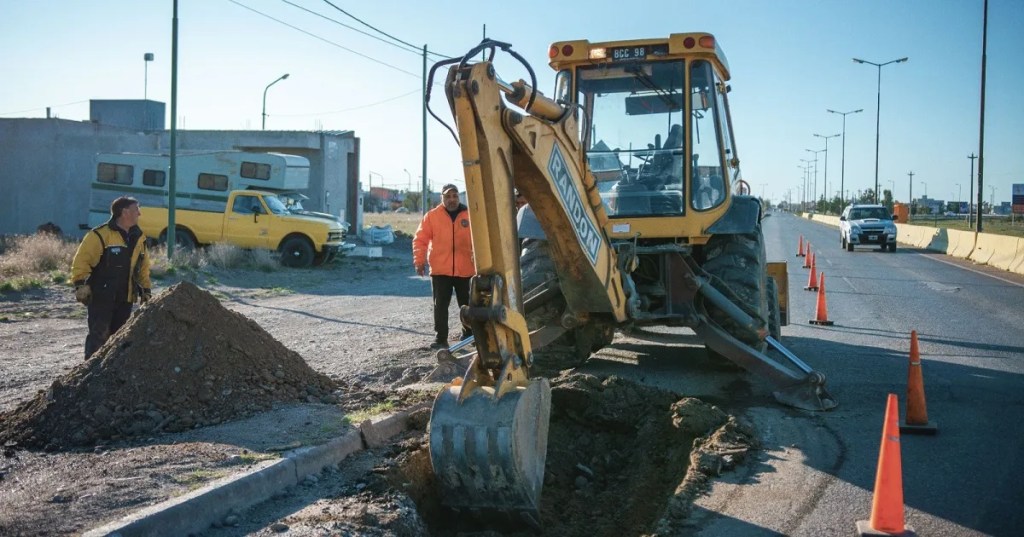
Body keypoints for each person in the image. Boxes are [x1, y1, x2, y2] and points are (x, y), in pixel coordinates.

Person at [71, 196, 152, 359]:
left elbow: (143, 267)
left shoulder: (139, 237)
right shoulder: (99, 235)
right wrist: (80, 284)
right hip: (101, 297)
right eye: (137, 209)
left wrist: (146, 290)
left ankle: (112, 378)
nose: (140, 214)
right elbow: (82, 260)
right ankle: (90, 374)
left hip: (126, 298)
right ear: (125, 212)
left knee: (119, 340)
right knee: (98, 337)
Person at [413, 184, 475, 349]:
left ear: (458, 197)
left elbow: (480, 241)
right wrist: (419, 261)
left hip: (465, 269)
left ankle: (469, 335)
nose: (452, 199)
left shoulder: (470, 215)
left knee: (467, 305)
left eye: (454, 196)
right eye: (448, 196)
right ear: (442, 198)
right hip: (441, 270)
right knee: (440, 305)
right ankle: (441, 339)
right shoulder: (432, 216)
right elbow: (420, 239)